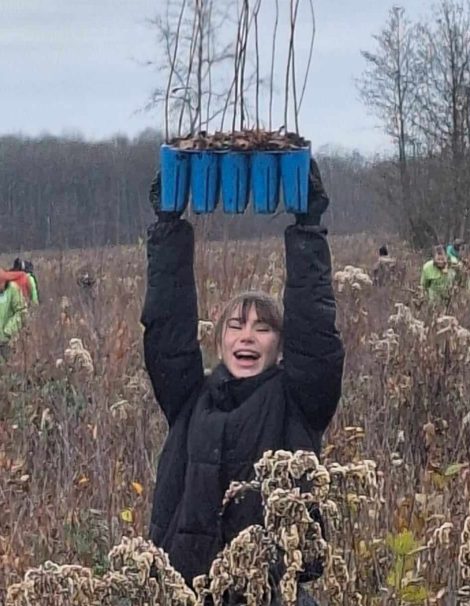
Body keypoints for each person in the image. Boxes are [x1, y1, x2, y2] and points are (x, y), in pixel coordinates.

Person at [141, 158, 345, 592]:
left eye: (263, 328)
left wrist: (308, 229)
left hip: (271, 592)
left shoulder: (299, 402)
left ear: (281, 345)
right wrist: (168, 230)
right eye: (236, 326)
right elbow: (167, 330)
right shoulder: (189, 400)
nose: (247, 336)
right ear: (219, 340)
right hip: (190, 590)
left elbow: (315, 333)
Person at [0, 269, 27, 360]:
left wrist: (8, 330)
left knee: (9, 364)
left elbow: (22, 312)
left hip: (8, 340)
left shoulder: (13, 289)